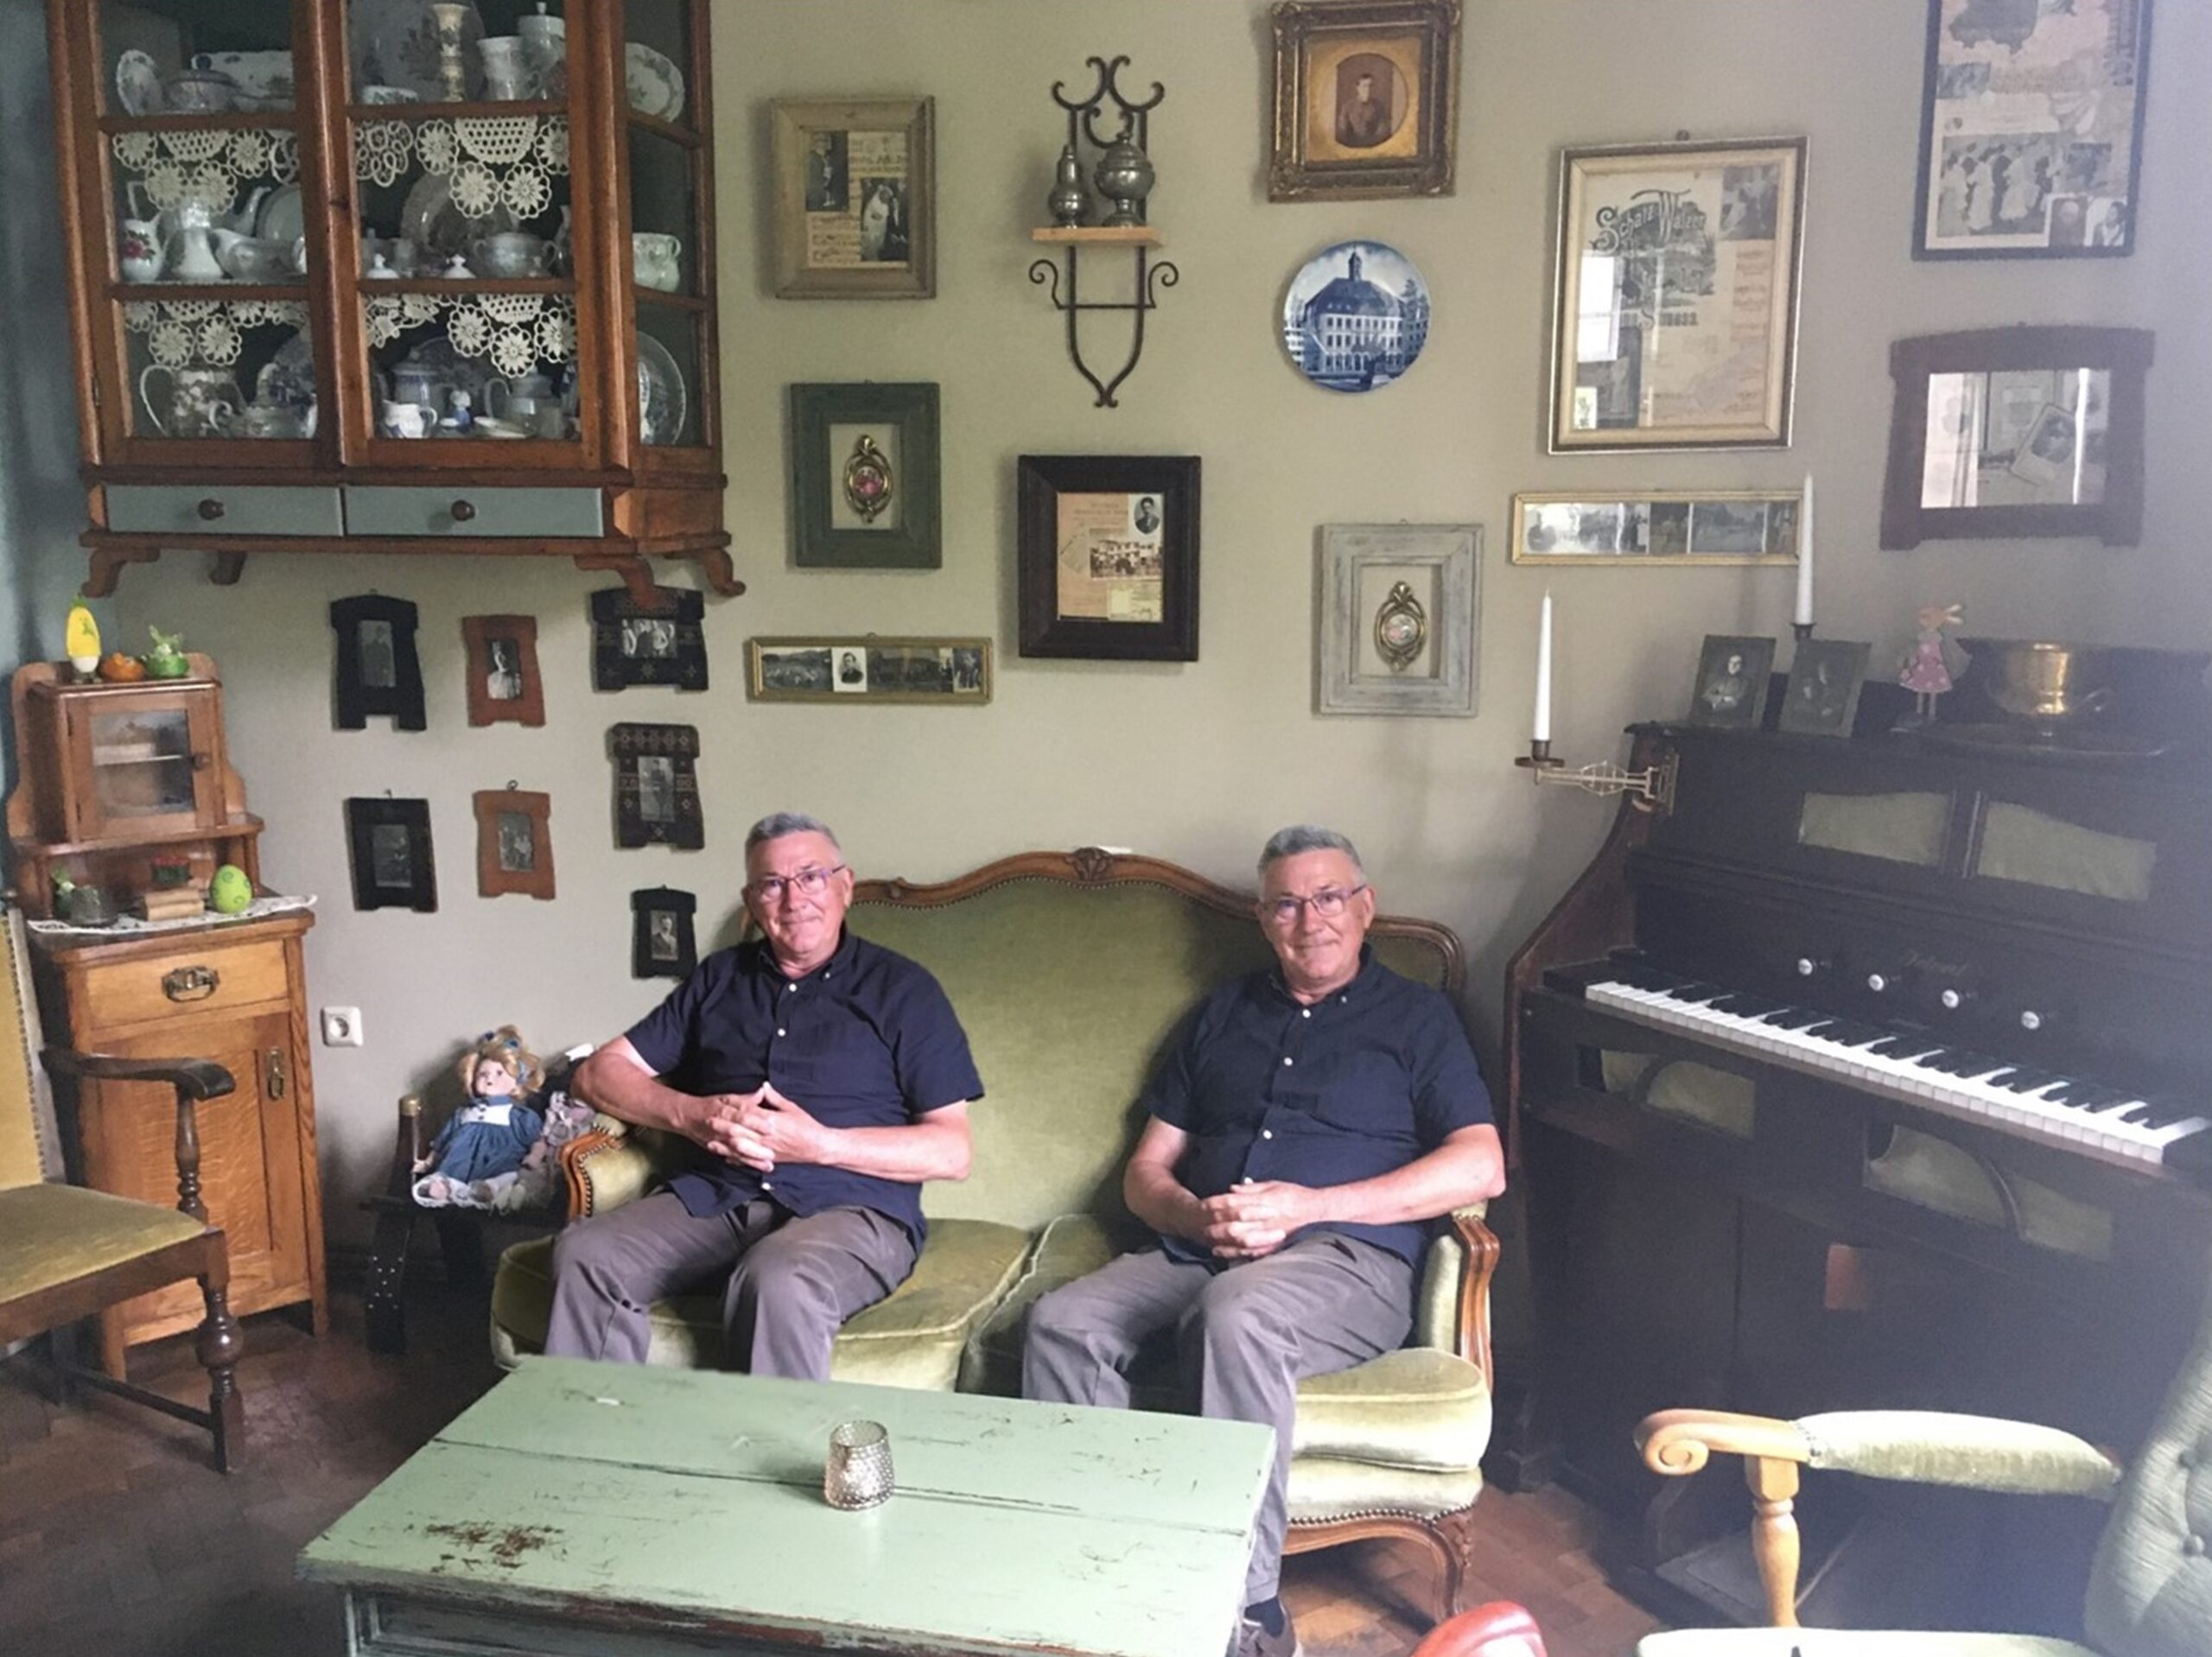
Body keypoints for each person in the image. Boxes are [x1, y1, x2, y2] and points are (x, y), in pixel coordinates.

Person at [1021, 826, 1503, 1657]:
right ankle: (1106, 1568)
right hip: (1200, 1247)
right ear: (1262, 918)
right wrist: (1190, 1216)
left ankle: (1244, 1614)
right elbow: (1146, 1170)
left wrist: (1308, 1206)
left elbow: (1480, 1163)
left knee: (1238, 1314)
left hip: (1345, 1258)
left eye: (1328, 897)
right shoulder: (1221, 1015)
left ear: (1365, 907)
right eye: (1286, 903)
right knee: (1062, 1324)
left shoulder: (1419, 1018)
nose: (1310, 919)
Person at [543, 813, 982, 1377]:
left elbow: (952, 1151)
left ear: (845, 886)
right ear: (752, 901)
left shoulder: (904, 990)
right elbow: (598, 1074)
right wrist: (690, 1114)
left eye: (811, 877)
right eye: (772, 884)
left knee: (778, 1278)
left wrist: (820, 1145)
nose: (794, 899)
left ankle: (766, 1439)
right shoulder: (719, 979)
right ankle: (597, 1428)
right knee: (587, 1254)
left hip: (852, 1209)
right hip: (717, 1196)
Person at [414, 1027, 545, 1209]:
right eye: (483, 1074)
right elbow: (441, 1143)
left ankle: (490, 1188)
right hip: (461, 1164)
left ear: (516, 1082)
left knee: (509, 1173)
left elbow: (538, 1141)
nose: (489, 1080)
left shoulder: (517, 1116)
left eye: (499, 1074)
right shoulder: (463, 1113)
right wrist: (428, 1162)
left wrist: (534, 1157)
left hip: (499, 1162)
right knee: (449, 1172)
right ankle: (447, 1187)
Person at [1336, 69, 1391, 149]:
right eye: (1364, 86)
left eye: (1370, 86)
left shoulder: (1379, 106)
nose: (1368, 89)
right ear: (1358, 88)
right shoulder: (1348, 106)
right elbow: (1343, 128)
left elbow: (1382, 129)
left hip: (1373, 146)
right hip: (1352, 145)